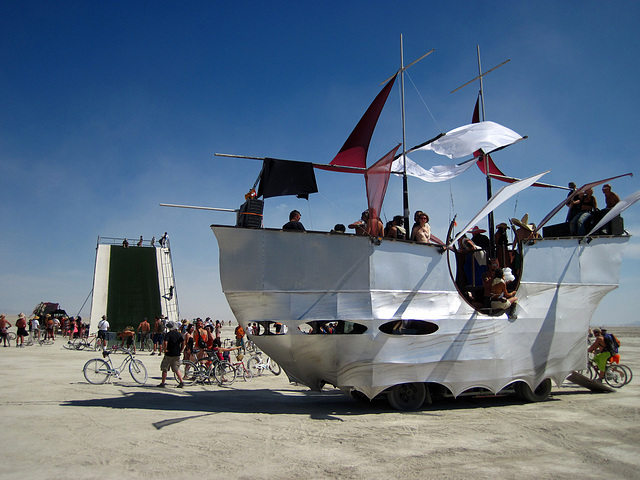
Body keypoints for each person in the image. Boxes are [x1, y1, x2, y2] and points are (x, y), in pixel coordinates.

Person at [157, 321, 185, 388]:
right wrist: (181, 349)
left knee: (165, 368)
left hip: (169, 354)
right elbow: (183, 342)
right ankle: (181, 381)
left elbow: (165, 342)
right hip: (176, 353)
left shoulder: (168, 334)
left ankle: (163, 383)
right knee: (176, 369)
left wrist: (165, 349)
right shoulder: (178, 334)